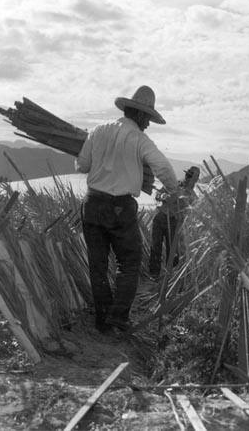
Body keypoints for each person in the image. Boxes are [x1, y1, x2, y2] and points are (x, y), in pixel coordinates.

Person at [75, 85, 178, 332]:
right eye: (148, 119)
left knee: (97, 264)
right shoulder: (139, 139)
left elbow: (82, 165)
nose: (149, 124)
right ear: (140, 115)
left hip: (93, 204)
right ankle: (118, 316)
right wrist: (175, 191)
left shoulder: (98, 131)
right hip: (120, 208)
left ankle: (103, 320)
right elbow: (163, 168)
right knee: (129, 263)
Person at [149, 166, 200, 279]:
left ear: (196, 179)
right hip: (160, 217)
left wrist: (183, 205)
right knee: (155, 246)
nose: (187, 177)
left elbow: (192, 213)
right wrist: (163, 196)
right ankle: (154, 275)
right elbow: (157, 195)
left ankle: (170, 277)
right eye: (187, 174)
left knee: (172, 250)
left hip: (174, 223)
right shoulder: (173, 184)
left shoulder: (193, 196)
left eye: (191, 176)